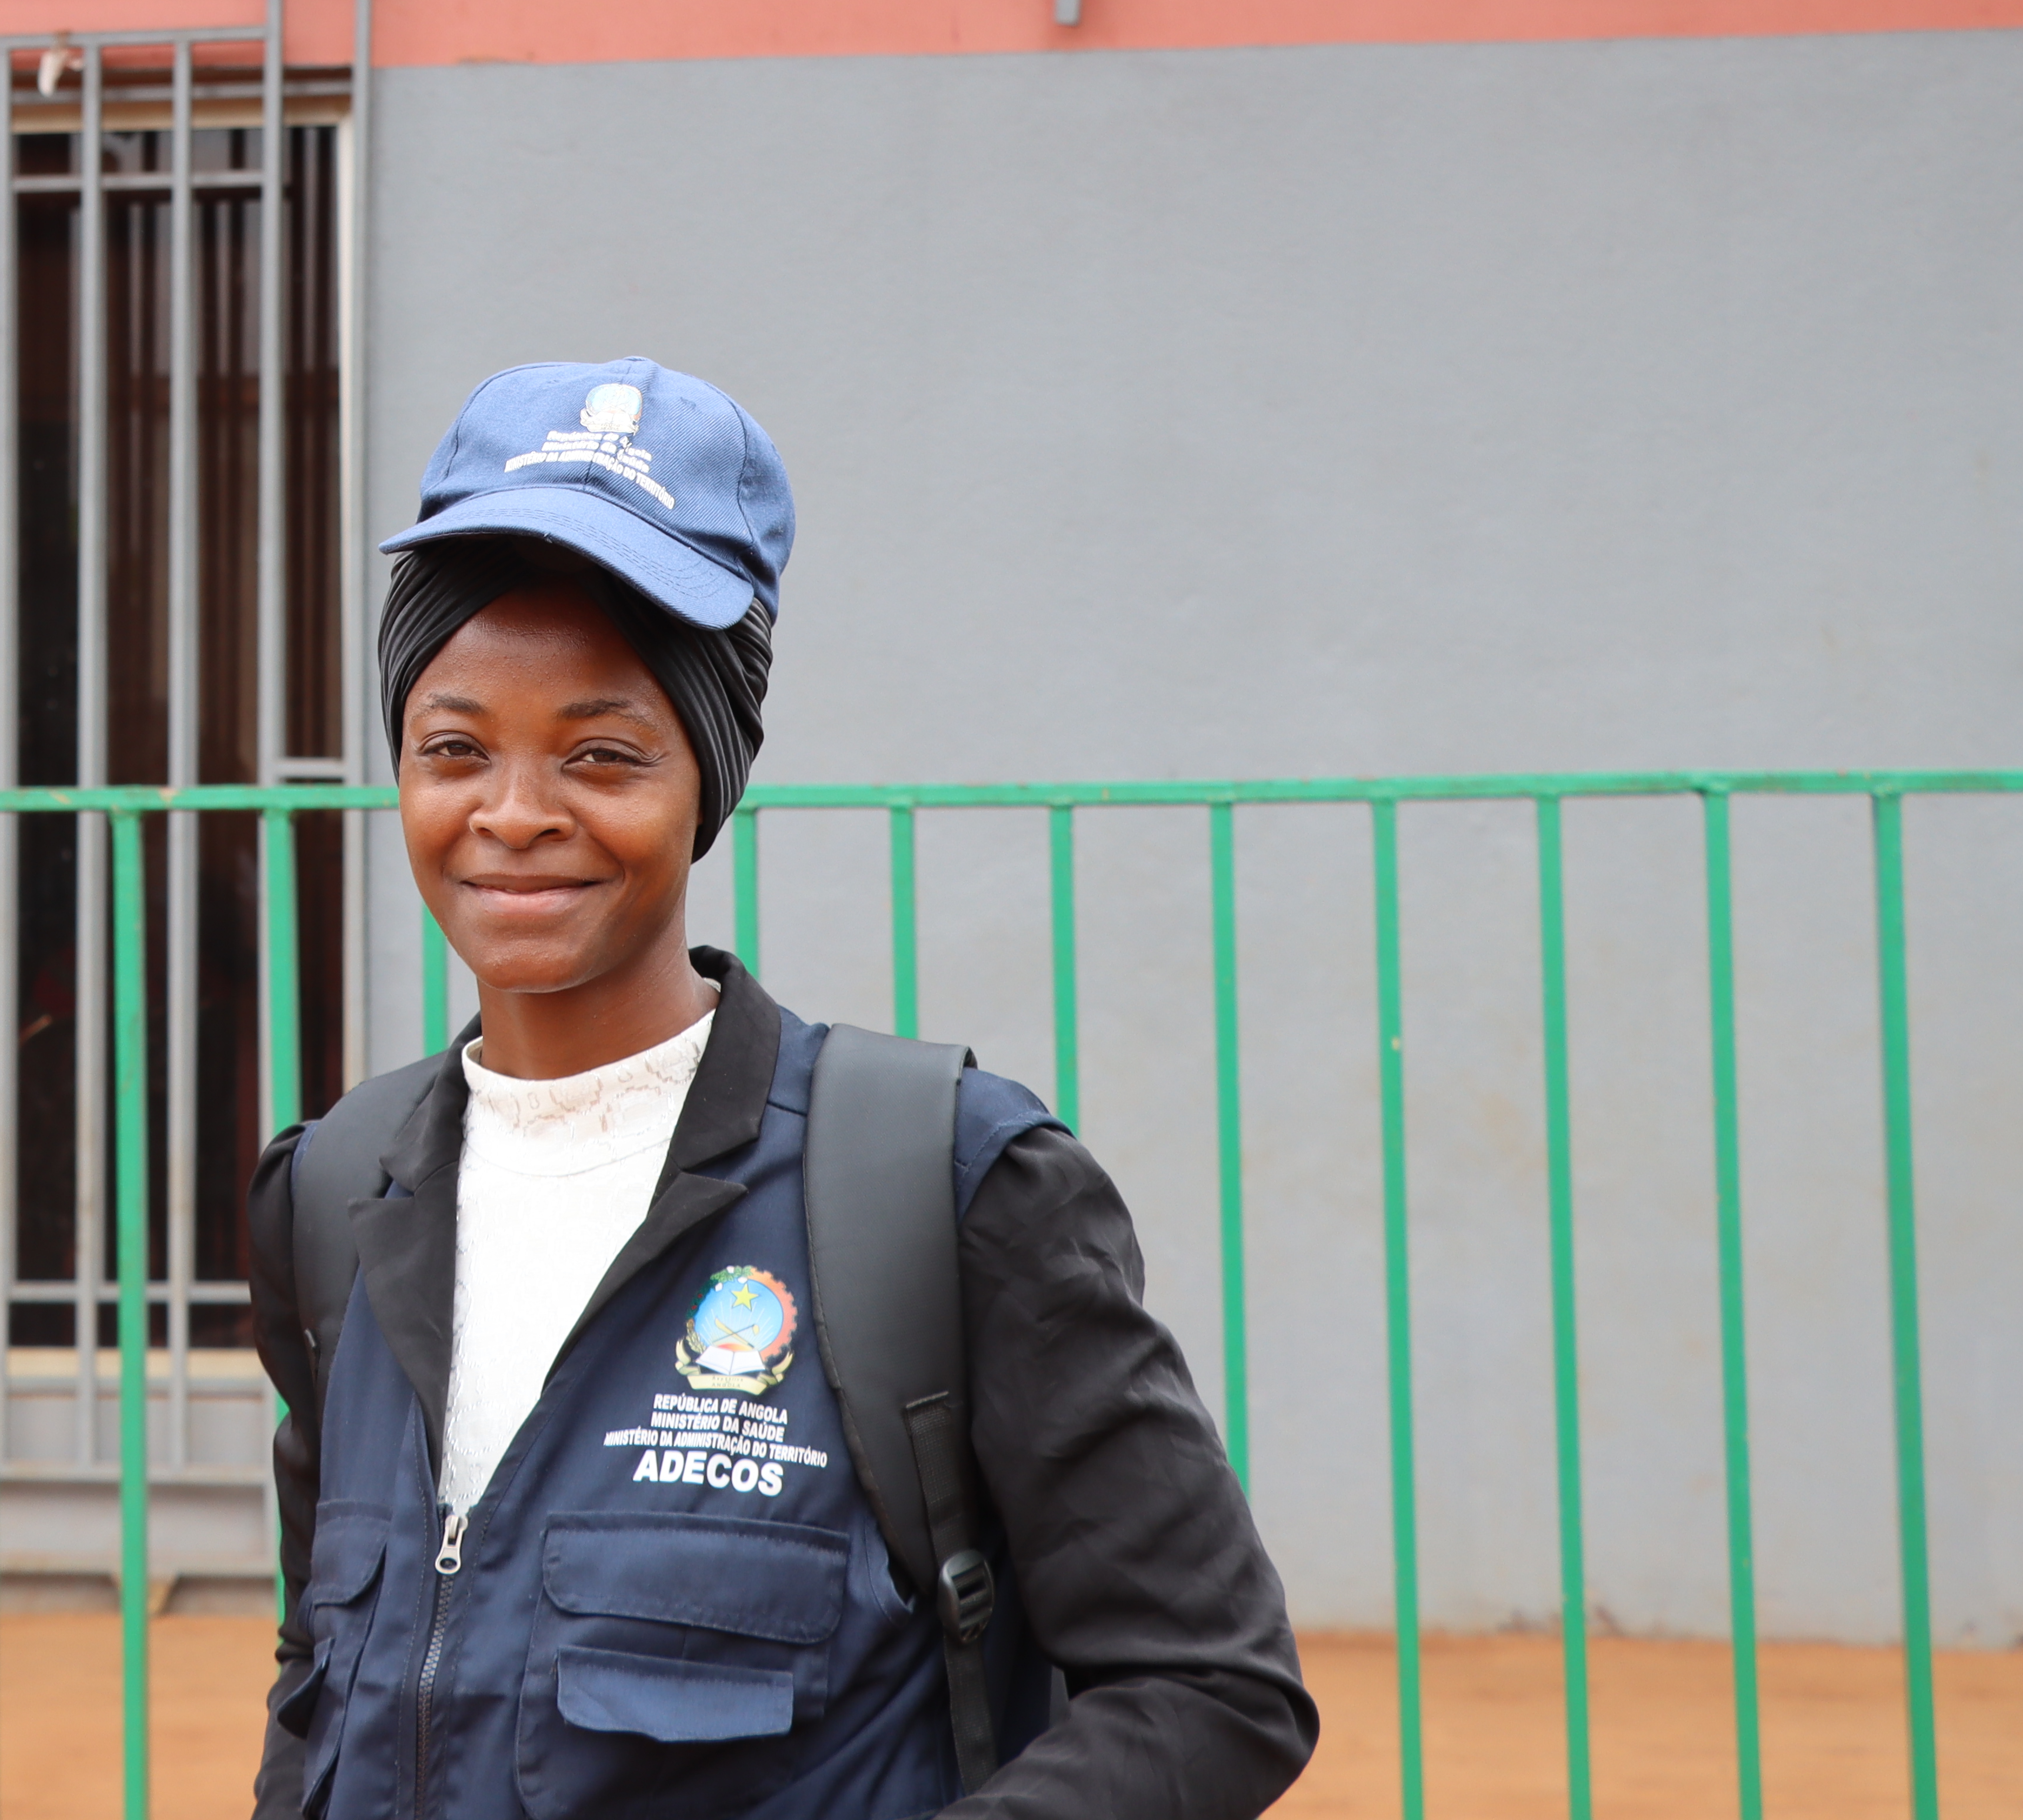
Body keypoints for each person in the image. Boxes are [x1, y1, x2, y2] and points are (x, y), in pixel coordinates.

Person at [246, 359, 1316, 1820]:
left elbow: (1210, 1685)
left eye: (601, 751)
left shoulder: (941, 1186)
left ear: (709, 772)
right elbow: (327, 1672)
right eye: (453, 746)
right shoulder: (334, 1193)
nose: (511, 811)